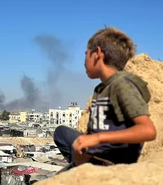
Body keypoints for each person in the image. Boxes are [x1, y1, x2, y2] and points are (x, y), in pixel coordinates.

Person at [54, 26, 157, 168]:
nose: (84, 61)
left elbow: (148, 130)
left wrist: (97, 139)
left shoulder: (122, 85)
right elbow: (95, 131)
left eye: (86, 54)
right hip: (94, 154)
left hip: (109, 162)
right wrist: (84, 146)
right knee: (61, 133)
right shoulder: (102, 89)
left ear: (97, 54)